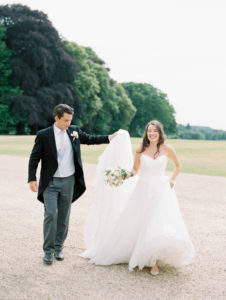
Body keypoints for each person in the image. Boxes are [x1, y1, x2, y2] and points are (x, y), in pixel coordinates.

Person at [80, 121, 195, 275]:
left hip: (161, 190)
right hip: (143, 190)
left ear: (160, 133)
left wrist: (172, 179)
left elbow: (178, 166)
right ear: (146, 133)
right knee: (141, 222)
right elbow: (135, 170)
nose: (152, 133)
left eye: (155, 131)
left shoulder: (168, 149)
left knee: (157, 222)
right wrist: (121, 176)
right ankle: (138, 253)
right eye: (149, 131)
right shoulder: (141, 149)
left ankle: (154, 261)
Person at [28, 103, 117, 265]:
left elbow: (90, 139)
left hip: (69, 180)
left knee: (63, 216)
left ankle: (59, 247)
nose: (68, 124)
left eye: (70, 120)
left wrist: (110, 138)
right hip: (50, 182)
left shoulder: (74, 131)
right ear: (56, 118)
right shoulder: (43, 135)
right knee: (50, 214)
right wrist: (31, 178)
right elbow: (34, 158)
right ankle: (48, 251)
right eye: (65, 120)